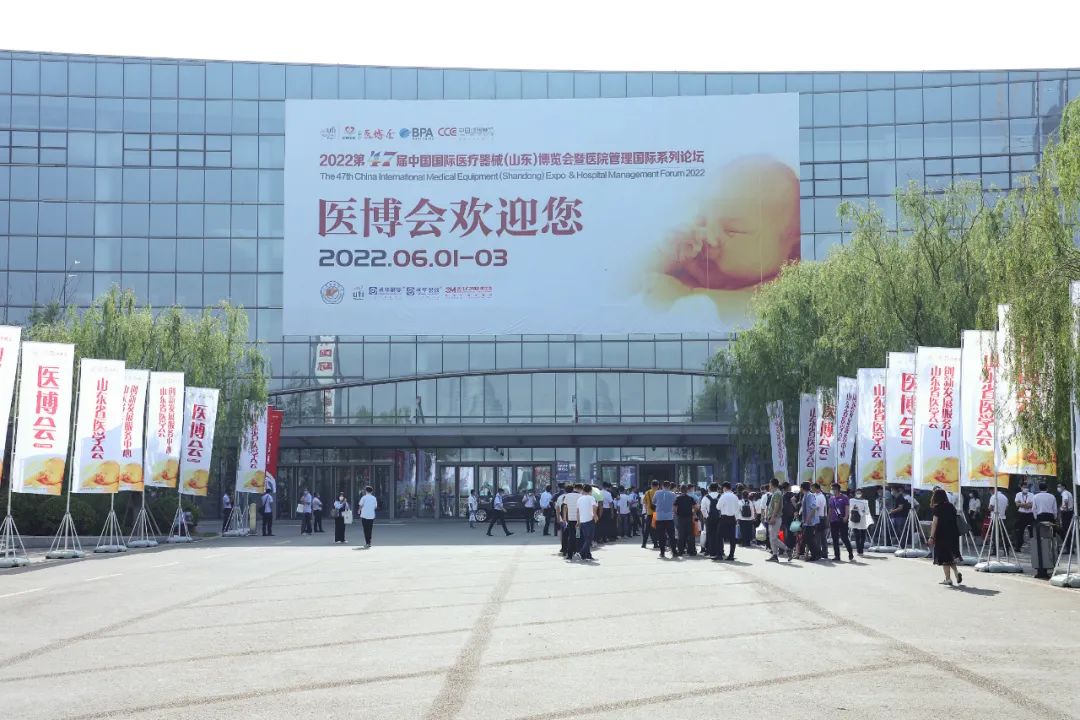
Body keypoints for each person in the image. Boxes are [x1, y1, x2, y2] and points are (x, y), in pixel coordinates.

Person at [928, 488, 963, 586]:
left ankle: (948, 579)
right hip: (953, 534)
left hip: (942, 535)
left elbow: (935, 523)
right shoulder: (951, 506)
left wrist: (931, 536)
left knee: (944, 557)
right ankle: (956, 573)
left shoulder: (937, 508)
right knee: (950, 556)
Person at [763, 479, 788, 562]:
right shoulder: (775, 493)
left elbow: (777, 506)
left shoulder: (777, 493)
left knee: (773, 538)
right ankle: (774, 555)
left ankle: (787, 549)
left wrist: (773, 517)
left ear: (772, 484)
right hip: (773, 517)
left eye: (770, 484)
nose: (769, 486)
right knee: (771, 538)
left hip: (776, 518)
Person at [828, 484, 854, 561]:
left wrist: (846, 517)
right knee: (835, 538)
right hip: (833, 520)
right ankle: (837, 556)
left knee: (844, 537)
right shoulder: (831, 498)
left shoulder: (844, 497)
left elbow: (847, 508)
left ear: (837, 489)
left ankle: (850, 552)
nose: (832, 490)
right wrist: (828, 519)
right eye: (831, 489)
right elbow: (830, 509)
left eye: (833, 489)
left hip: (842, 520)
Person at [652, 481, 676, 559]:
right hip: (669, 517)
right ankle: (674, 551)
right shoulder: (673, 494)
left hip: (659, 517)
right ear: (669, 486)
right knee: (671, 535)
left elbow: (653, 502)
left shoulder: (657, 493)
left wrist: (660, 504)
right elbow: (675, 503)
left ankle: (662, 552)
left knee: (661, 535)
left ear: (662, 486)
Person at [717, 482, 740, 561]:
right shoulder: (735, 496)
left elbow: (718, 507)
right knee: (732, 538)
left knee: (720, 536)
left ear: (724, 488)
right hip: (732, 518)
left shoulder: (723, 496)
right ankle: (731, 555)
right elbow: (737, 508)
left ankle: (719, 555)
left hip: (724, 517)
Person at [799, 481, 822, 561]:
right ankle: (816, 554)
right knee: (808, 538)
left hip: (810, 521)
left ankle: (816, 554)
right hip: (806, 521)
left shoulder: (810, 495)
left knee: (808, 538)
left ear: (802, 488)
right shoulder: (805, 495)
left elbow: (813, 508)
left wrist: (809, 518)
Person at [674, 485, 698, 557]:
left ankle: (680, 551)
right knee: (690, 535)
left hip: (681, 518)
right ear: (687, 490)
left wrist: (677, 513)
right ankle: (691, 551)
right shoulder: (690, 498)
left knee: (681, 535)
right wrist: (693, 513)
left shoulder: (678, 498)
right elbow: (696, 507)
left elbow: (674, 508)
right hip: (689, 518)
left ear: (680, 490)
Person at [576, 483, 599, 561]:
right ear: (590, 490)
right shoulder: (591, 498)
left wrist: (578, 521)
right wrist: (595, 515)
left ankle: (587, 555)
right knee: (589, 538)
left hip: (582, 520)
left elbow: (577, 511)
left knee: (586, 538)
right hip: (589, 519)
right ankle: (581, 552)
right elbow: (594, 507)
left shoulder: (579, 499)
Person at [560, 484, 582, 559]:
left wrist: (564, 518)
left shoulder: (567, 496)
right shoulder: (580, 496)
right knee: (578, 536)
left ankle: (569, 554)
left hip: (570, 519)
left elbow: (565, 507)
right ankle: (577, 551)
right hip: (579, 520)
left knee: (571, 536)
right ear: (580, 489)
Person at [848, 489, 872, 556]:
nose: (858, 494)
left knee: (863, 535)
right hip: (855, 519)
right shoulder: (852, 500)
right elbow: (849, 509)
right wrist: (854, 509)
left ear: (862, 494)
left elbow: (867, 511)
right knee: (857, 536)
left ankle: (861, 549)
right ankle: (859, 550)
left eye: (859, 493)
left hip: (863, 520)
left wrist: (861, 512)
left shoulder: (865, 501)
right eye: (857, 493)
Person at [701, 483, 721, 557]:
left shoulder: (706, 497)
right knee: (719, 535)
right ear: (717, 488)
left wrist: (707, 517)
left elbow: (703, 509)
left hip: (709, 519)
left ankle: (712, 552)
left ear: (709, 488)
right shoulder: (721, 496)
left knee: (710, 535)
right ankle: (720, 551)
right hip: (719, 518)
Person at [1014, 482, 1035, 551]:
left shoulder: (1032, 495)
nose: (1025, 488)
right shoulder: (1018, 494)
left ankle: (1034, 547)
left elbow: (1031, 505)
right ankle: (1018, 546)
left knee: (1032, 531)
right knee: (1019, 531)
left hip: (1030, 514)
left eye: (1026, 487)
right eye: (1024, 487)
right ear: (1021, 488)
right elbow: (1017, 504)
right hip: (1021, 514)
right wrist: (1026, 504)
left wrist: (1022, 504)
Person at [641, 480, 659, 550]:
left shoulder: (647, 492)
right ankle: (655, 544)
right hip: (656, 514)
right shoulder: (659, 493)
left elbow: (644, 503)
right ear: (658, 486)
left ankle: (644, 543)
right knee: (655, 529)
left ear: (651, 485)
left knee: (647, 529)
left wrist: (646, 511)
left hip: (649, 513)